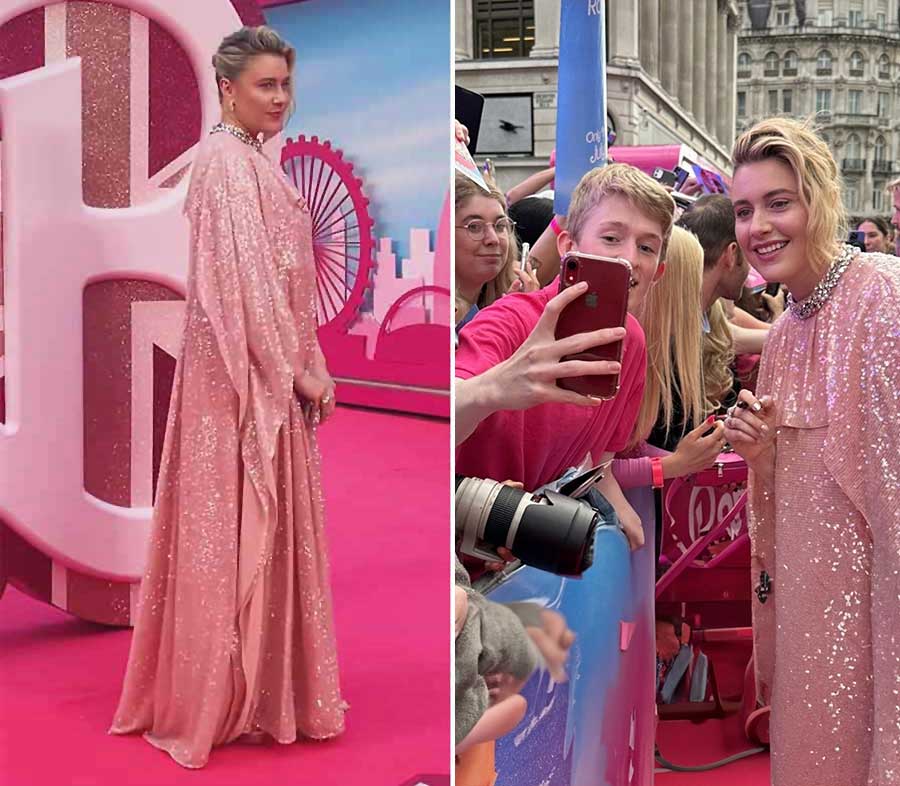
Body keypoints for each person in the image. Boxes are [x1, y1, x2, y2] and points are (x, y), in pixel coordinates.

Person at [109, 26, 345, 768]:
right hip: (239, 384)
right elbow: (240, 287)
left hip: (264, 372)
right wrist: (298, 369)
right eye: (265, 85)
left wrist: (306, 358)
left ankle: (262, 688)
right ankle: (221, 692)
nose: (280, 99)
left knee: (249, 528)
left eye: (285, 85)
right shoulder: (223, 164)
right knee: (227, 528)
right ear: (226, 88)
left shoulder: (249, 161)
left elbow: (282, 282)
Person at [724, 117, 900, 786]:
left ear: (820, 200)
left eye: (778, 203)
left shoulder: (882, 298)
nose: (758, 227)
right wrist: (763, 458)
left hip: (876, 626)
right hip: (807, 622)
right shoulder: (784, 333)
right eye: (744, 210)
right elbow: (804, 494)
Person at [456, 163, 676, 551]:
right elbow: (434, 420)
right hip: (457, 550)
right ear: (568, 247)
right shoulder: (508, 320)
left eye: (646, 247)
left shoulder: (633, 342)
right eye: (611, 238)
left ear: (657, 272)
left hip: (532, 555)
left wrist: (622, 514)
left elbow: (599, 459)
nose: (629, 258)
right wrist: (497, 387)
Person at [455, 173, 539, 328]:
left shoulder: (507, 295)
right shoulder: (433, 316)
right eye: (474, 227)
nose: (493, 239)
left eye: (500, 226)